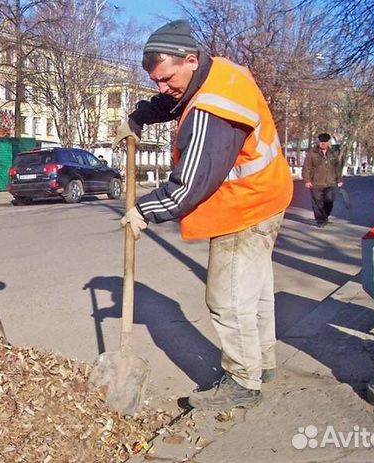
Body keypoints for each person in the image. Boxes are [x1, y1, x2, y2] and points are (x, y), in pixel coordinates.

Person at [113, 20, 294, 411]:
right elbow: (175, 98)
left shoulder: (211, 111)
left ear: (190, 60)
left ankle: (243, 382)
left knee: (227, 299)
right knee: (255, 291)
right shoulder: (218, 73)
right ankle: (262, 364)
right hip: (268, 195)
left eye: (166, 78)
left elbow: (188, 184)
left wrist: (143, 210)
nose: (163, 87)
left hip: (244, 206)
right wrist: (140, 116)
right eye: (156, 81)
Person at [302, 133, 343, 227]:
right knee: (317, 202)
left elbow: (337, 167)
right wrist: (307, 180)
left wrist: (339, 179)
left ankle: (325, 216)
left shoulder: (333, 153)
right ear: (319, 142)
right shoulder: (312, 153)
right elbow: (306, 167)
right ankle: (320, 220)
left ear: (328, 143)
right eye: (321, 142)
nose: (323, 144)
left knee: (329, 200)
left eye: (325, 142)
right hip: (316, 183)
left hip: (330, 182)